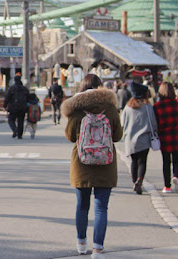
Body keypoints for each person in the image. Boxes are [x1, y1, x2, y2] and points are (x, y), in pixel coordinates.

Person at [61, 74, 122, 259]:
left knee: (82, 206)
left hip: (82, 164)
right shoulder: (110, 108)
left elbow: (71, 136)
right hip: (106, 163)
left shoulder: (77, 109)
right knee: (101, 208)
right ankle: (97, 249)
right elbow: (117, 136)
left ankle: (81, 244)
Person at [121, 82, 158, 195]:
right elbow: (153, 122)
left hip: (130, 139)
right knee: (142, 162)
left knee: (134, 161)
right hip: (144, 139)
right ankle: (140, 180)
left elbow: (123, 122)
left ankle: (134, 182)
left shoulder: (128, 107)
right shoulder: (147, 106)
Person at [153, 82, 178, 193]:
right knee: (177, 160)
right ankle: (176, 176)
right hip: (176, 135)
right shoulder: (177, 103)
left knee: (166, 161)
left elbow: (155, 123)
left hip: (164, 137)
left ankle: (167, 186)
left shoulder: (157, 106)